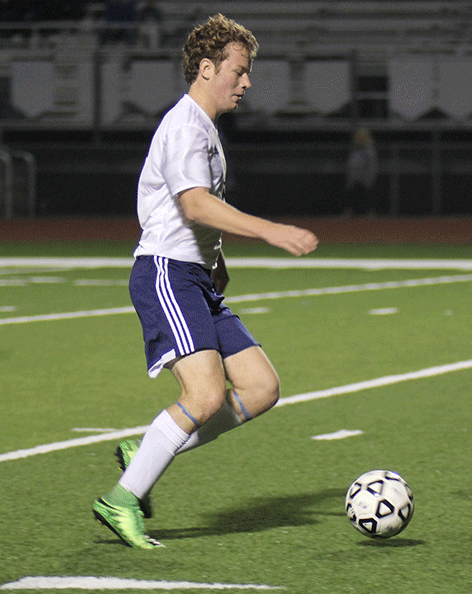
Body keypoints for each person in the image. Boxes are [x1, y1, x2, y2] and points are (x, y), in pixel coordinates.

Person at [92, 13, 319, 549]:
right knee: (205, 394)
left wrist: (215, 261)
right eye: (239, 71)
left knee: (262, 387)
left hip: (195, 277)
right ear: (207, 67)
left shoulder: (206, 130)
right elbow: (194, 204)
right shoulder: (185, 125)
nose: (246, 83)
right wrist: (269, 230)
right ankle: (122, 499)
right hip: (167, 275)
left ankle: (148, 449)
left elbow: (195, 212)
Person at [343, 128, 378, 216]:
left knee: (367, 195)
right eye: (357, 137)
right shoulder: (355, 149)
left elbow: (372, 164)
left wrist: (369, 177)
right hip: (354, 176)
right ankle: (349, 211)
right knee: (351, 195)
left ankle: (370, 213)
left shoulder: (369, 149)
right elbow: (351, 162)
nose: (358, 138)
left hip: (365, 177)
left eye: (360, 137)